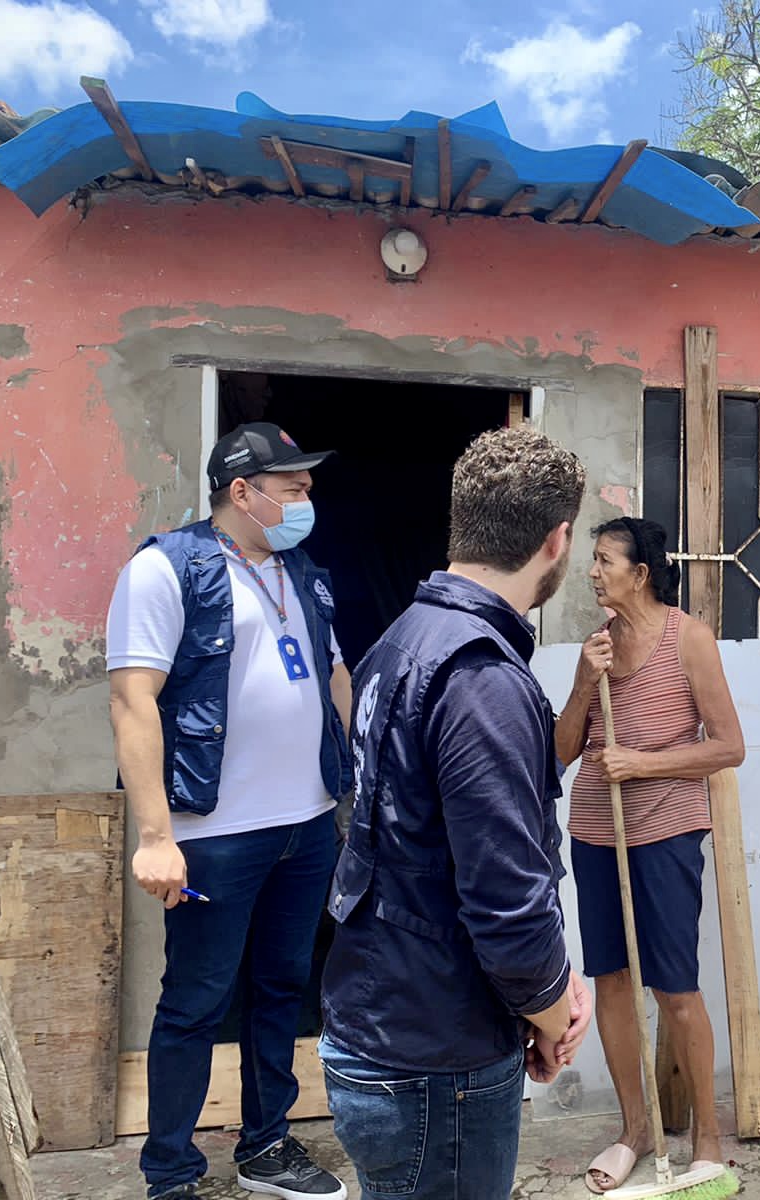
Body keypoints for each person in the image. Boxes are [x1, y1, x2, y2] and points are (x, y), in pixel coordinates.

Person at [318, 425, 595, 1200]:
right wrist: (549, 1010)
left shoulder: (401, 644)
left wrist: (527, 1009)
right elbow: (506, 903)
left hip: (394, 1025)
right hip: (435, 1062)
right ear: (558, 539)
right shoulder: (480, 679)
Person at [106, 422, 353, 1200]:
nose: (307, 497)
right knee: (196, 999)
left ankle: (267, 1147)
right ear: (241, 492)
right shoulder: (164, 570)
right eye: (293, 486)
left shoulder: (302, 571)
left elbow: (333, 671)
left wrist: (352, 779)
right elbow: (131, 700)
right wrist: (156, 836)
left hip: (306, 825)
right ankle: (172, 1172)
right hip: (214, 835)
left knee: (284, 987)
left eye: (308, 485)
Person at [555, 516, 747, 1194]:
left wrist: (640, 762)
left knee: (675, 987)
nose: (592, 571)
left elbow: (729, 746)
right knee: (610, 981)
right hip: (597, 833)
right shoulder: (597, 645)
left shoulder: (688, 639)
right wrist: (583, 681)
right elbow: (562, 751)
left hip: (665, 832)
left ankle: (708, 1139)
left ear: (640, 572)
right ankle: (635, 1128)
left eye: (605, 560)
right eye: (593, 559)